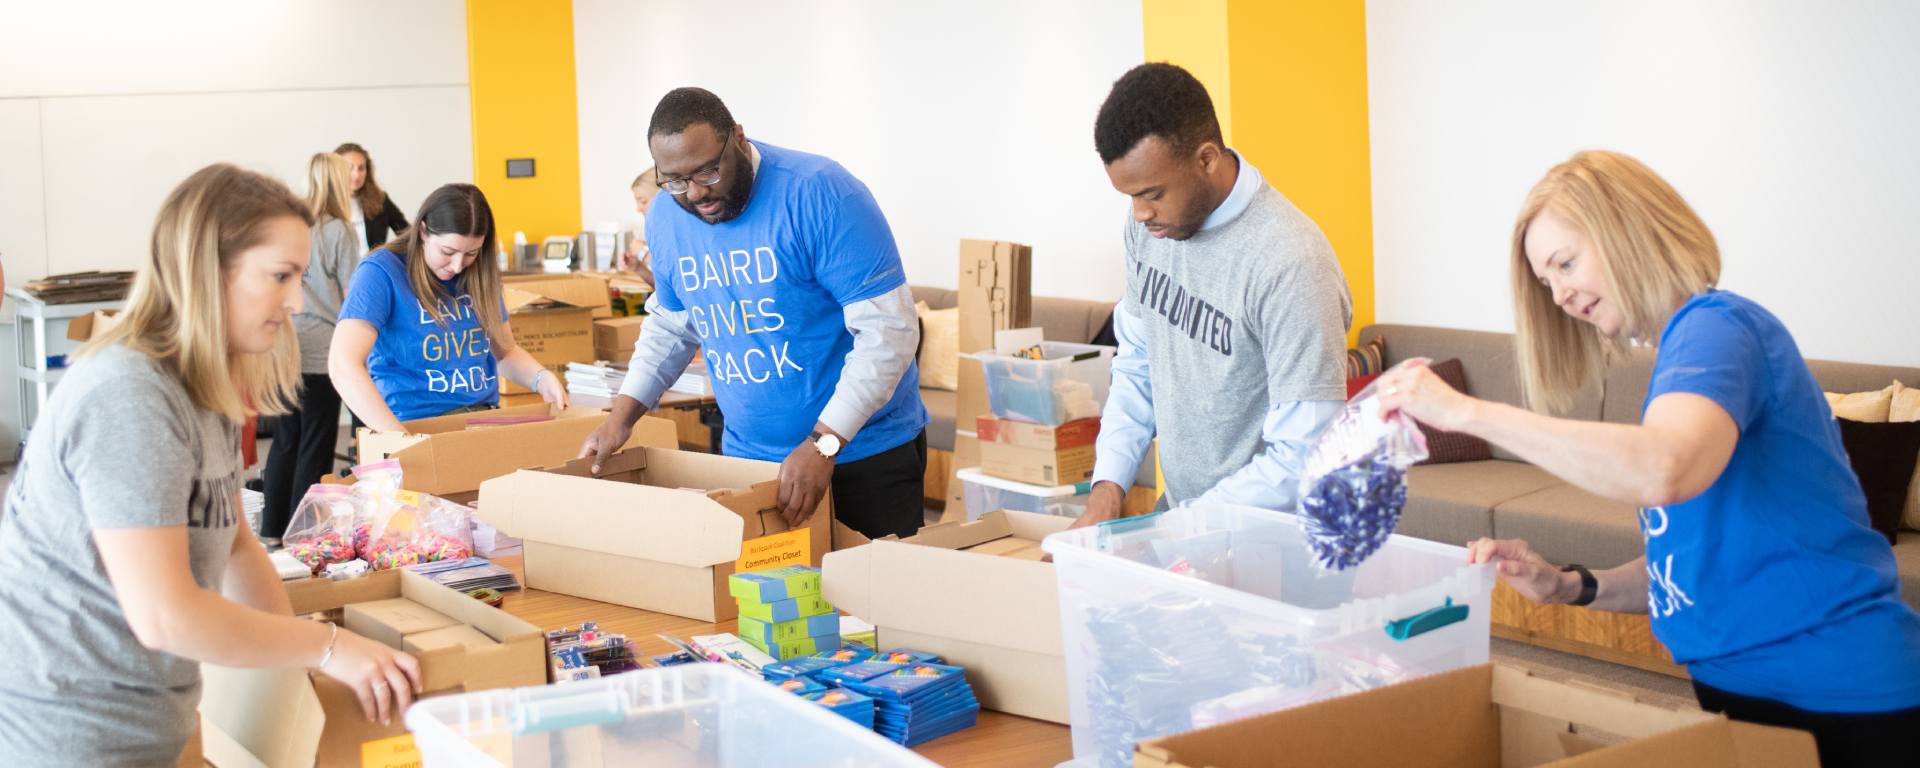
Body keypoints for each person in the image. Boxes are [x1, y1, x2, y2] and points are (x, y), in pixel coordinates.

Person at [1374, 150, 1920, 767]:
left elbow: (1662, 468)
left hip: (1839, 691)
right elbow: (1685, 566)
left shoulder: (1714, 328)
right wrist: (1570, 585)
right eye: (1548, 282)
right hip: (1754, 689)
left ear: (1627, 230)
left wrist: (1465, 412)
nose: (1561, 295)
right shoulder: (1685, 353)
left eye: (1567, 263)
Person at [0, 164, 422, 764]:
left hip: (153, 713)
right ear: (208, 272)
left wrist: (298, 667)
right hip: (71, 733)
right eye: (280, 276)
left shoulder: (205, 387)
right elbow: (165, 617)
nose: (298, 301)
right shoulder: (128, 396)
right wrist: (326, 647)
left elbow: (234, 544)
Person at [579, 87, 927, 540]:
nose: (696, 193)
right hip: (749, 460)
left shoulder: (820, 192)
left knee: (878, 607)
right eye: (676, 180)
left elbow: (889, 331)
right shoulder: (665, 214)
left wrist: (823, 444)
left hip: (863, 456)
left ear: (738, 138)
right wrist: (619, 420)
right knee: (767, 607)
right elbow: (672, 323)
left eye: (708, 171)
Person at [1069, 62, 1352, 529]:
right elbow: (1138, 363)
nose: (1140, 213)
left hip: (1277, 547)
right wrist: (1107, 490)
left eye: (1152, 193)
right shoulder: (1152, 228)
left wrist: (1177, 528)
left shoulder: (1290, 262)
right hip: (1190, 526)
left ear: (1206, 159)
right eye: (1130, 197)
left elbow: (1304, 456)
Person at [329, 184, 568, 431]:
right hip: (411, 422)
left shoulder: (480, 273)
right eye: (448, 251)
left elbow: (505, 352)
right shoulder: (380, 272)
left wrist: (541, 378)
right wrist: (396, 437)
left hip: (481, 421)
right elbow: (343, 365)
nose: (457, 265)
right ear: (422, 231)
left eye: (471, 253)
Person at [260, 152, 360, 542]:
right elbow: (353, 295)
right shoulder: (340, 231)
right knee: (317, 442)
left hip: (284, 342)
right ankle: (303, 534)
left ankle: (272, 530)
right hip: (322, 346)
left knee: (286, 441)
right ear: (338, 182)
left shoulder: (293, 228)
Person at [335, 142, 408, 255]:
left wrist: (389, 255)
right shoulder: (325, 205)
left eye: (361, 168)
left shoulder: (380, 200)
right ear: (335, 170)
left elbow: (407, 234)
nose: (356, 174)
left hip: (371, 269)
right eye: (350, 168)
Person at [620, 166, 661, 287]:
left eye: (643, 201)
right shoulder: (656, 233)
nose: (637, 209)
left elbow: (680, 281)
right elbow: (666, 289)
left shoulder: (680, 231)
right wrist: (638, 267)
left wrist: (644, 253)